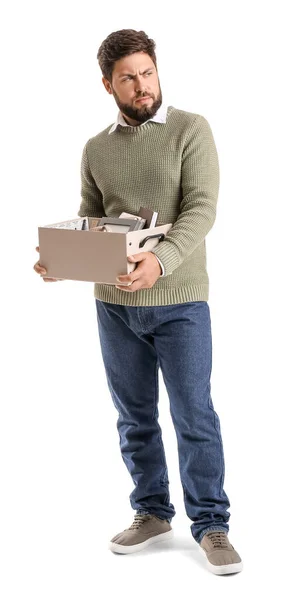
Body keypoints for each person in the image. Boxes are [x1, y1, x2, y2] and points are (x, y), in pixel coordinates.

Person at [34, 28, 243, 576]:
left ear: (157, 71)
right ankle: (151, 510)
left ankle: (212, 523)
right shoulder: (96, 148)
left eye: (147, 72)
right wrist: (63, 260)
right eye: (128, 77)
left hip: (180, 301)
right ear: (108, 84)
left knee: (194, 413)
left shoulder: (189, 130)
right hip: (114, 306)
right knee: (134, 416)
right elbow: (89, 215)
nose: (141, 84)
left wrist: (160, 262)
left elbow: (201, 210)